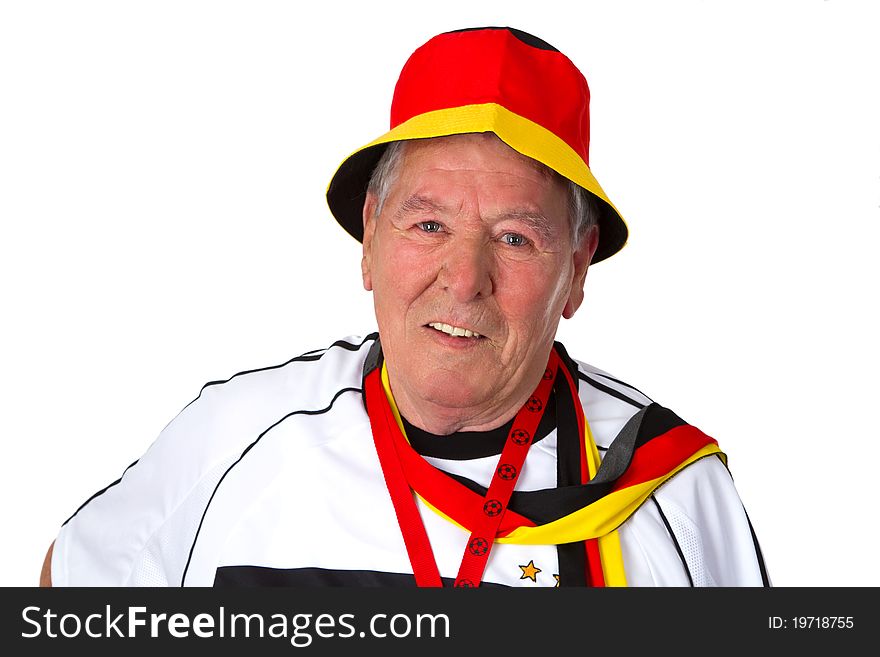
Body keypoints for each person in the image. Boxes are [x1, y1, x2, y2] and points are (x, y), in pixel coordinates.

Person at [41, 26, 769, 587]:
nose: (464, 279)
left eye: (515, 237)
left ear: (575, 271)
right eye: (429, 225)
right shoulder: (231, 442)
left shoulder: (671, 492)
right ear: (369, 238)